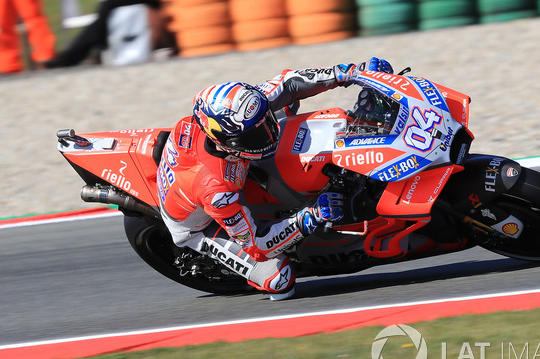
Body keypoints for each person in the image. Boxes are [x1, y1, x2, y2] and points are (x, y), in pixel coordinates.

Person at [158, 57, 395, 300]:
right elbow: (258, 245)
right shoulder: (217, 190)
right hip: (199, 225)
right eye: (255, 136)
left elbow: (288, 83)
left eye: (267, 124)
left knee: (286, 103)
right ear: (226, 142)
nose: (270, 135)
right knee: (280, 280)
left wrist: (350, 73)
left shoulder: (236, 117)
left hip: (204, 173)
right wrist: (310, 216)